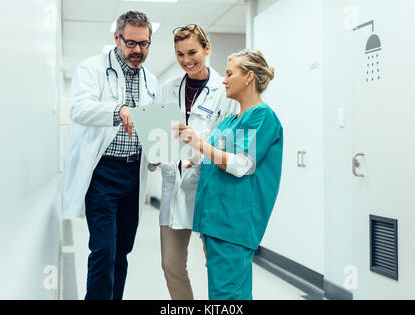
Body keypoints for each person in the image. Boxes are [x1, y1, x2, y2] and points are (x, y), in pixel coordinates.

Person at [62, 11, 157, 300]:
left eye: (144, 44)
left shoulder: (150, 80)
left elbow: (152, 123)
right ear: (116, 38)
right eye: (131, 43)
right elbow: (78, 108)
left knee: (122, 250)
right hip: (102, 174)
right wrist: (118, 111)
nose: (137, 50)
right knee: (103, 248)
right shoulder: (92, 69)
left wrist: (157, 151)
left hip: (132, 175)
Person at [174, 49, 283, 300]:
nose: (223, 79)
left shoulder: (262, 116)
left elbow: (241, 164)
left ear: (249, 77)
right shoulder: (229, 121)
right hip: (215, 220)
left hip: (234, 223)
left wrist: (199, 144)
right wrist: (196, 160)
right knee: (226, 292)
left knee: (227, 295)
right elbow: (217, 157)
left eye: (229, 73)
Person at [149, 24, 238, 300]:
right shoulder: (167, 90)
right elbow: (157, 138)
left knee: (217, 265)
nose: (186, 60)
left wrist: (200, 150)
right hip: (175, 186)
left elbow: (232, 146)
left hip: (211, 186)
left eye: (192, 52)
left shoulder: (225, 91)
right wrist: (155, 151)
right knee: (171, 264)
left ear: (206, 48)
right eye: (179, 54)